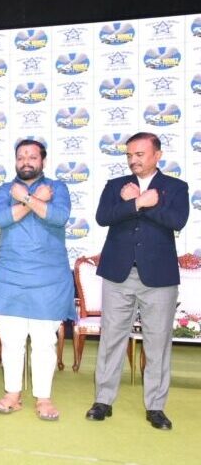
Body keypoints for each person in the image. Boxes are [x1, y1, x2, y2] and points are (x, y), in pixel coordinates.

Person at [86, 132, 189, 430]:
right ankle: (103, 401)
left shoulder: (176, 187)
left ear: (157, 155)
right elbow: (103, 217)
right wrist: (135, 203)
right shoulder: (116, 185)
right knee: (111, 340)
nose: (133, 160)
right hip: (117, 274)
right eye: (129, 155)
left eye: (140, 154)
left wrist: (147, 204)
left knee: (158, 343)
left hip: (159, 277)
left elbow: (177, 221)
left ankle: (155, 407)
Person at [0, 139, 75, 420]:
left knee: (43, 341)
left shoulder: (57, 188)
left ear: (43, 161)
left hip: (49, 277)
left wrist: (25, 199)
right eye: (21, 156)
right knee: (10, 339)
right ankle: (12, 395)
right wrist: (34, 200)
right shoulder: (5, 189)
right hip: (10, 274)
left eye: (32, 156)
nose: (26, 161)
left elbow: (58, 217)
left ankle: (43, 399)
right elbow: (1, 219)